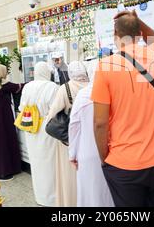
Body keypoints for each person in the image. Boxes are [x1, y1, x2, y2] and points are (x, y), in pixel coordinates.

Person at [91, 9, 154, 207]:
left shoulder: (105, 66)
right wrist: (137, 21)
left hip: (124, 163)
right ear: (139, 35)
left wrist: (105, 159)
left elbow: (100, 122)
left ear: (115, 35)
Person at [69, 60, 114, 207]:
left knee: (90, 194)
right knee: (110, 194)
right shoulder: (113, 93)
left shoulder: (82, 95)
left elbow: (74, 127)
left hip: (87, 153)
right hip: (111, 152)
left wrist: (72, 154)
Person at [46, 60, 89, 207]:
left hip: (69, 140)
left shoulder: (65, 88)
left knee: (70, 176)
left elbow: (52, 116)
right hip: (90, 139)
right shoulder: (92, 86)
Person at [19, 62, 59, 206]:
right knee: (50, 163)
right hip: (47, 129)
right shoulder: (52, 87)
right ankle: (52, 198)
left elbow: (21, 107)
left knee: (36, 162)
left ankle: (40, 196)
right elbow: (57, 109)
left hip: (31, 129)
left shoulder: (27, 86)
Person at [0, 64, 24, 181]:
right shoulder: (3, 84)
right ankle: (3, 172)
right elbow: (18, 87)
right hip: (3, 117)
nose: (6, 73)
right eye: (5, 71)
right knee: (3, 142)